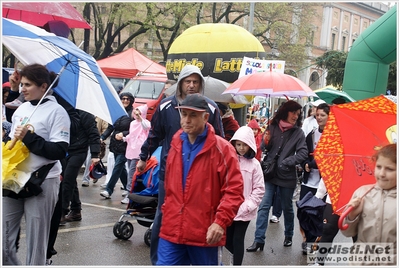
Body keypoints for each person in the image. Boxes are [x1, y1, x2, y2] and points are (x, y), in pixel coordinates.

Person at [136, 64, 224, 265]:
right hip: (170, 175)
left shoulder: (210, 107)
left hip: (203, 179)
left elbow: (220, 140)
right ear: (181, 83)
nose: (191, 85)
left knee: (199, 219)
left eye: (195, 82)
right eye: (187, 81)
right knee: (164, 217)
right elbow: (155, 135)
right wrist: (143, 157)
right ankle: (159, 260)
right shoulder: (166, 106)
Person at [157, 93, 243, 265]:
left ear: (205, 117)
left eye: (193, 115)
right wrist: (167, 210)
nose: (187, 120)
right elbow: (170, 186)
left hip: (204, 233)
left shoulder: (222, 149)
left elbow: (234, 190)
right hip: (172, 230)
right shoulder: (175, 143)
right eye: (184, 114)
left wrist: (220, 222)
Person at [2, 64, 70, 265]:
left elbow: (59, 151)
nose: (23, 88)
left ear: (43, 86)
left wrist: (29, 137)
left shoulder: (58, 112)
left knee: (36, 242)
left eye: (28, 85)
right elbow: (13, 134)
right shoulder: (22, 107)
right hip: (14, 177)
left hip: (42, 181)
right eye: (22, 84)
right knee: (4, 239)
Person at [247, 100, 307, 252]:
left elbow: (303, 152)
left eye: (298, 114)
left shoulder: (298, 132)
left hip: (287, 176)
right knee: (264, 206)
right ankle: (258, 240)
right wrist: (266, 140)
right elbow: (263, 147)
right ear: (285, 111)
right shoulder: (272, 127)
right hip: (270, 174)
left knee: (287, 207)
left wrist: (288, 161)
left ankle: (288, 235)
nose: (295, 116)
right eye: (293, 112)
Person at [341, 143, 396, 266]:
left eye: (390, 169)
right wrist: (352, 215)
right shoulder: (362, 193)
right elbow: (347, 232)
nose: (382, 173)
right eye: (379, 166)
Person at [226, 126, 265, 265]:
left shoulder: (255, 165)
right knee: (226, 239)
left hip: (245, 209)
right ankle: (234, 255)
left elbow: (259, 188)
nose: (241, 148)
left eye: (245, 145)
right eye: (238, 144)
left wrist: (248, 205)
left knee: (238, 239)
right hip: (229, 208)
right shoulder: (228, 160)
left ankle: (236, 263)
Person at [298, 103, 330, 254]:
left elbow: (330, 158)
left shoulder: (333, 136)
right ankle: (307, 239)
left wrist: (313, 163)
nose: (319, 118)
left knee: (319, 215)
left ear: (329, 117)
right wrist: (305, 163)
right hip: (308, 180)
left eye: (322, 115)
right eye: (317, 115)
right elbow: (303, 152)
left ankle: (314, 244)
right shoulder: (311, 134)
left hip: (324, 184)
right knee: (304, 210)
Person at [60, 109, 101, 223]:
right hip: (65, 150)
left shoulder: (85, 114)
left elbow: (93, 134)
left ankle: (62, 212)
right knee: (70, 180)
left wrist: (95, 154)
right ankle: (76, 210)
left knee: (67, 180)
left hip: (79, 151)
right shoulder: (62, 111)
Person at [100, 92, 135, 199]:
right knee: (120, 169)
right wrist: (102, 137)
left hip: (126, 144)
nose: (125, 101)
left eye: (127, 99)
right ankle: (127, 188)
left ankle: (108, 190)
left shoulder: (133, 114)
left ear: (131, 101)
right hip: (115, 144)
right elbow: (111, 127)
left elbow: (135, 129)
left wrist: (124, 134)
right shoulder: (117, 112)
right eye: (123, 99)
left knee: (118, 166)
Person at [121, 104, 151, 204]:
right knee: (131, 171)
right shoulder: (132, 123)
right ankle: (132, 192)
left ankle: (129, 193)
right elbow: (131, 135)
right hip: (130, 150)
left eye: (139, 111)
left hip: (139, 151)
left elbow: (146, 127)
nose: (136, 113)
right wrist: (124, 138)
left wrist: (141, 118)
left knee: (131, 173)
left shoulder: (146, 122)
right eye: (135, 111)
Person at [81, 116, 109, 187]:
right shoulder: (85, 114)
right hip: (84, 141)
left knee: (88, 160)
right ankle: (94, 172)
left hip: (95, 141)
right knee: (83, 159)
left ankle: (85, 179)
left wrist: (102, 138)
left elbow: (105, 129)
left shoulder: (101, 117)